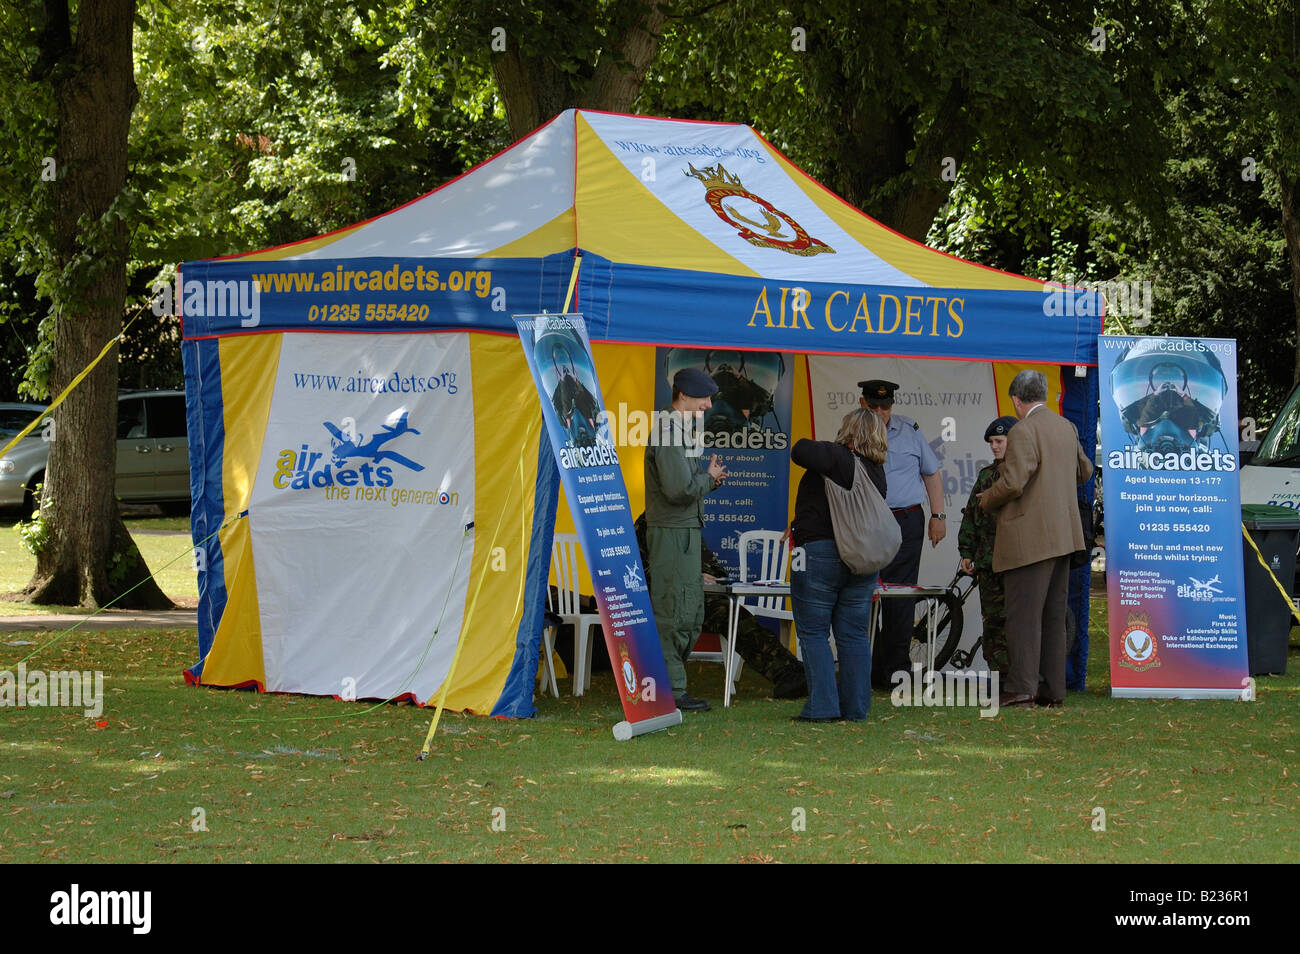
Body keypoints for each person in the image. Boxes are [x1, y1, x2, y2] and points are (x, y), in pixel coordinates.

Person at [978, 370, 1093, 708]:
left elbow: (1013, 483)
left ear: (1016, 399)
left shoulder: (1023, 430)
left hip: (1030, 540)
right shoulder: (1066, 427)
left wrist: (987, 499)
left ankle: (1022, 687)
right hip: (1065, 536)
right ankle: (1053, 690)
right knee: (1054, 617)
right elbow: (1085, 471)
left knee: (1023, 617)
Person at [633, 514, 808, 699]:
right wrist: (691, 576)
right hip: (667, 600)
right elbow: (643, 572)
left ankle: (792, 671)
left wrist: (717, 579)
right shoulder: (650, 522)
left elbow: (709, 565)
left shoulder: (687, 521)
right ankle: (787, 673)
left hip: (700, 596)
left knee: (735, 614)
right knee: (729, 615)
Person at [788, 408, 889, 721]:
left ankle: (822, 706)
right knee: (854, 635)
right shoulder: (876, 471)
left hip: (820, 554)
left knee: (813, 632)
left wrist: (838, 446)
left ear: (849, 431)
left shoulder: (839, 458)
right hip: (861, 562)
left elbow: (800, 449)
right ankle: (856, 707)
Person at [644, 367, 728, 712]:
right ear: (683, 395)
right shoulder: (667, 429)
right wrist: (708, 479)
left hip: (686, 529)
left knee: (690, 611)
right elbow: (678, 489)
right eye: (704, 397)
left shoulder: (680, 428)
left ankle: (673, 686)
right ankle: (670, 692)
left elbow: (684, 483)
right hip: (672, 531)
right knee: (673, 610)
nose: (709, 405)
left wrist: (708, 478)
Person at [858, 380, 946, 689]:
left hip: (907, 520)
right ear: (862, 403)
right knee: (863, 595)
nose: (881, 412)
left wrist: (938, 516)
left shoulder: (910, 430)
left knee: (901, 595)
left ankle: (896, 672)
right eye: (874, 406)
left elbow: (931, 473)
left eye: (886, 407)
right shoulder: (851, 432)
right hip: (867, 524)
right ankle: (865, 667)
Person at [957, 415, 1018, 682]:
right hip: (988, 561)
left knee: (1017, 621)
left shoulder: (1024, 474)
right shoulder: (986, 476)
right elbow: (972, 515)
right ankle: (999, 676)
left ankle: (1021, 676)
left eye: (999, 441)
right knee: (992, 622)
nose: (994, 446)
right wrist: (966, 552)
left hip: (1017, 561)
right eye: (992, 442)